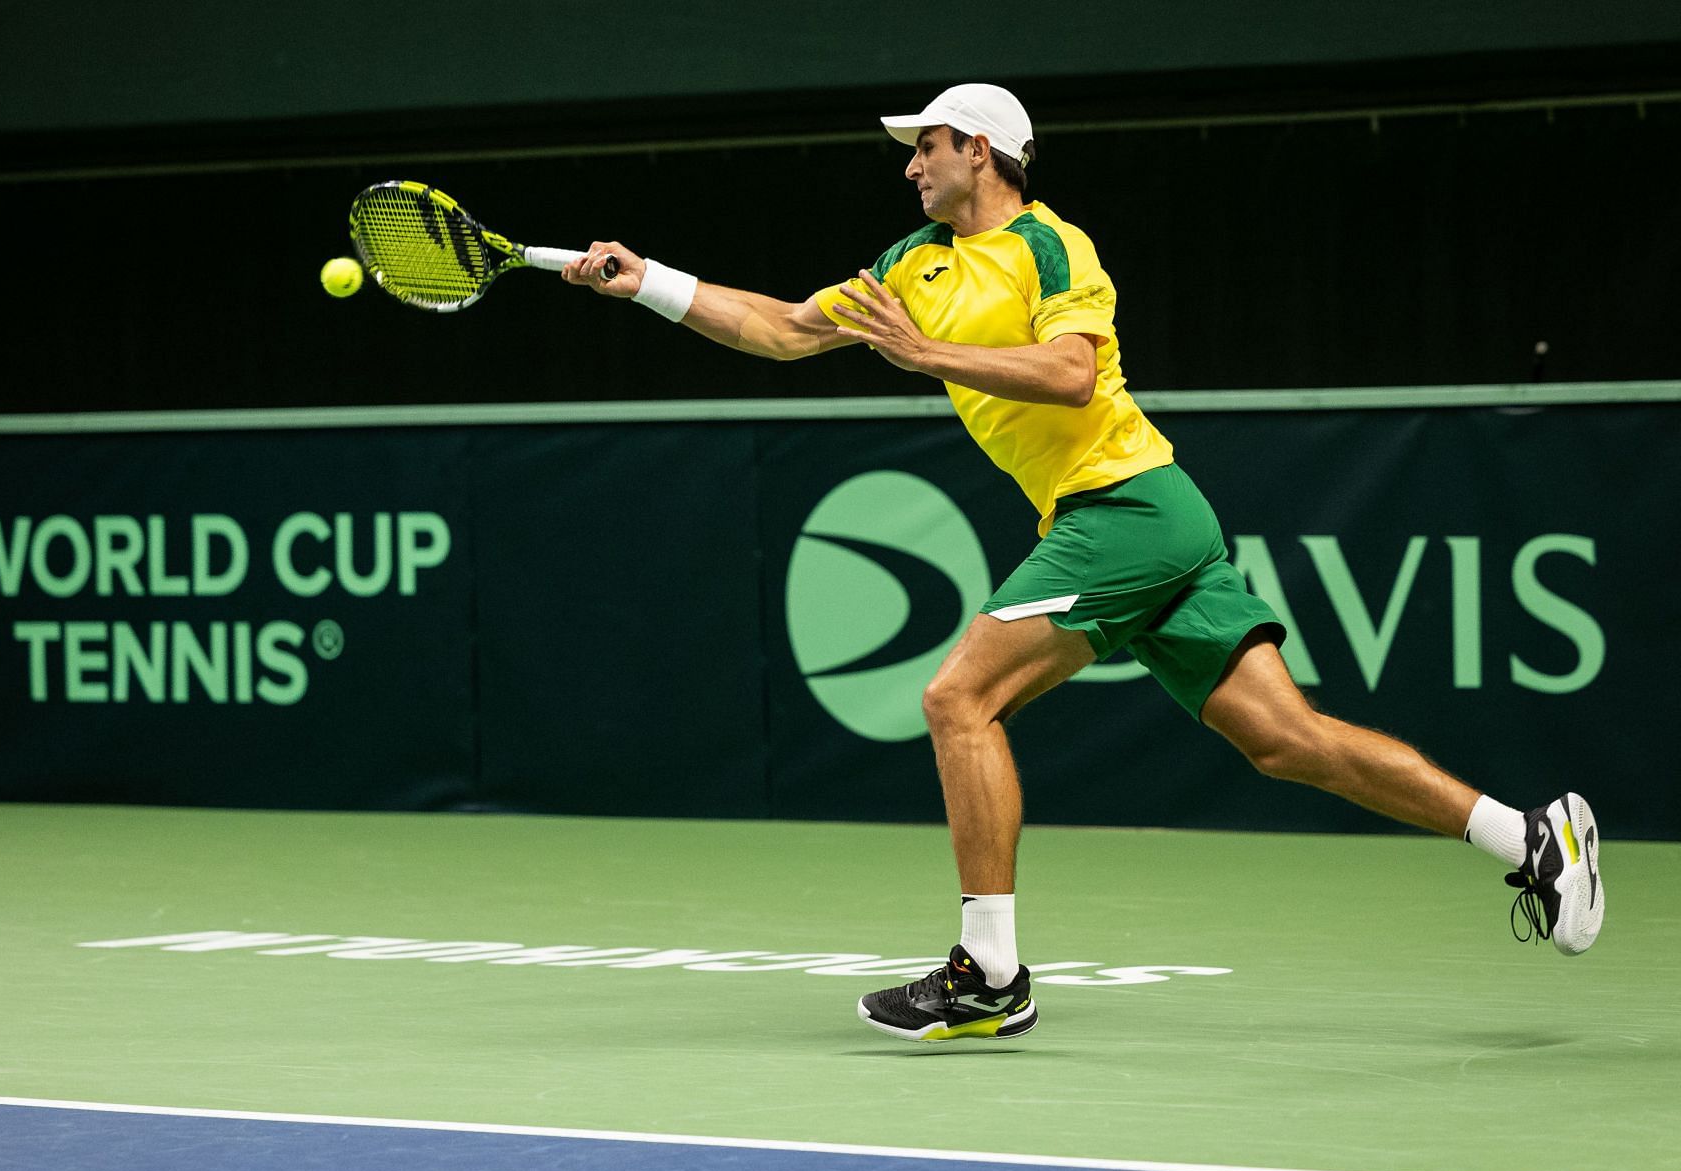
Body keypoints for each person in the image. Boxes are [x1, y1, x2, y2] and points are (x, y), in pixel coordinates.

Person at [560, 83, 1604, 1043]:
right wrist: (647, 280)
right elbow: (786, 330)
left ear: (980, 149)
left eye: (925, 145)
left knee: (956, 698)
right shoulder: (911, 265)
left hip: (1128, 509)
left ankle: (990, 974)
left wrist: (929, 357)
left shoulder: (1051, 249)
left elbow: (1069, 374)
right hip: (1140, 520)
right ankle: (1532, 840)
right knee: (1290, 741)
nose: (910, 165)